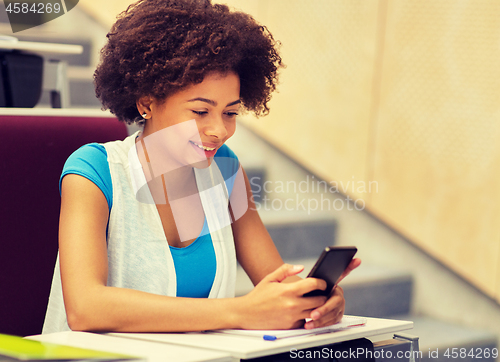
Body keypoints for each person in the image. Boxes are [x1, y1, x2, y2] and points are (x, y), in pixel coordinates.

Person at [42, 0, 361, 335]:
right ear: (147, 103)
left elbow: (274, 281)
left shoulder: (225, 171)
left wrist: (312, 301)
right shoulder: (92, 171)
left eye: (230, 113)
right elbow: (85, 308)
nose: (219, 131)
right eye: (200, 111)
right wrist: (238, 311)